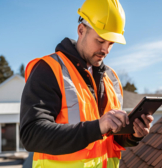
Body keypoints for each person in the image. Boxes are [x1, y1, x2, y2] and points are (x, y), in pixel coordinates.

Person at [19, 0, 154, 167]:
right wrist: (97, 127)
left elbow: (110, 138)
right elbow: (32, 135)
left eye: (111, 43)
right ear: (81, 30)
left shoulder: (111, 78)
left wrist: (132, 134)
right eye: (100, 40)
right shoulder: (49, 69)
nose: (105, 50)